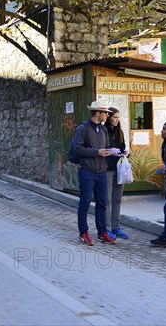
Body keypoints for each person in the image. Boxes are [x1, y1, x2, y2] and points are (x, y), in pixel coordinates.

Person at [74, 101, 117, 245]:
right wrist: (96, 152)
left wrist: (116, 152)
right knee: (85, 203)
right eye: (105, 113)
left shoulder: (103, 130)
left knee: (102, 203)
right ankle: (83, 233)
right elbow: (77, 150)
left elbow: (104, 148)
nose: (107, 115)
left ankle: (102, 232)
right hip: (87, 171)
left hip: (102, 171)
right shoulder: (83, 128)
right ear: (97, 113)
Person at [104, 107, 129, 240]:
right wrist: (111, 151)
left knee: (117, 199)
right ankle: (107, 229)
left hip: (119, 168)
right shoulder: (103, 131)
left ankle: (116, 227)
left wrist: (125, 153)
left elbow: (123, 147)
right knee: (107, 200)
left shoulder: (120, 132)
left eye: (118, 118)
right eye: (114, 117)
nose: (117, 120)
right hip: (107, 168)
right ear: (108, 117)